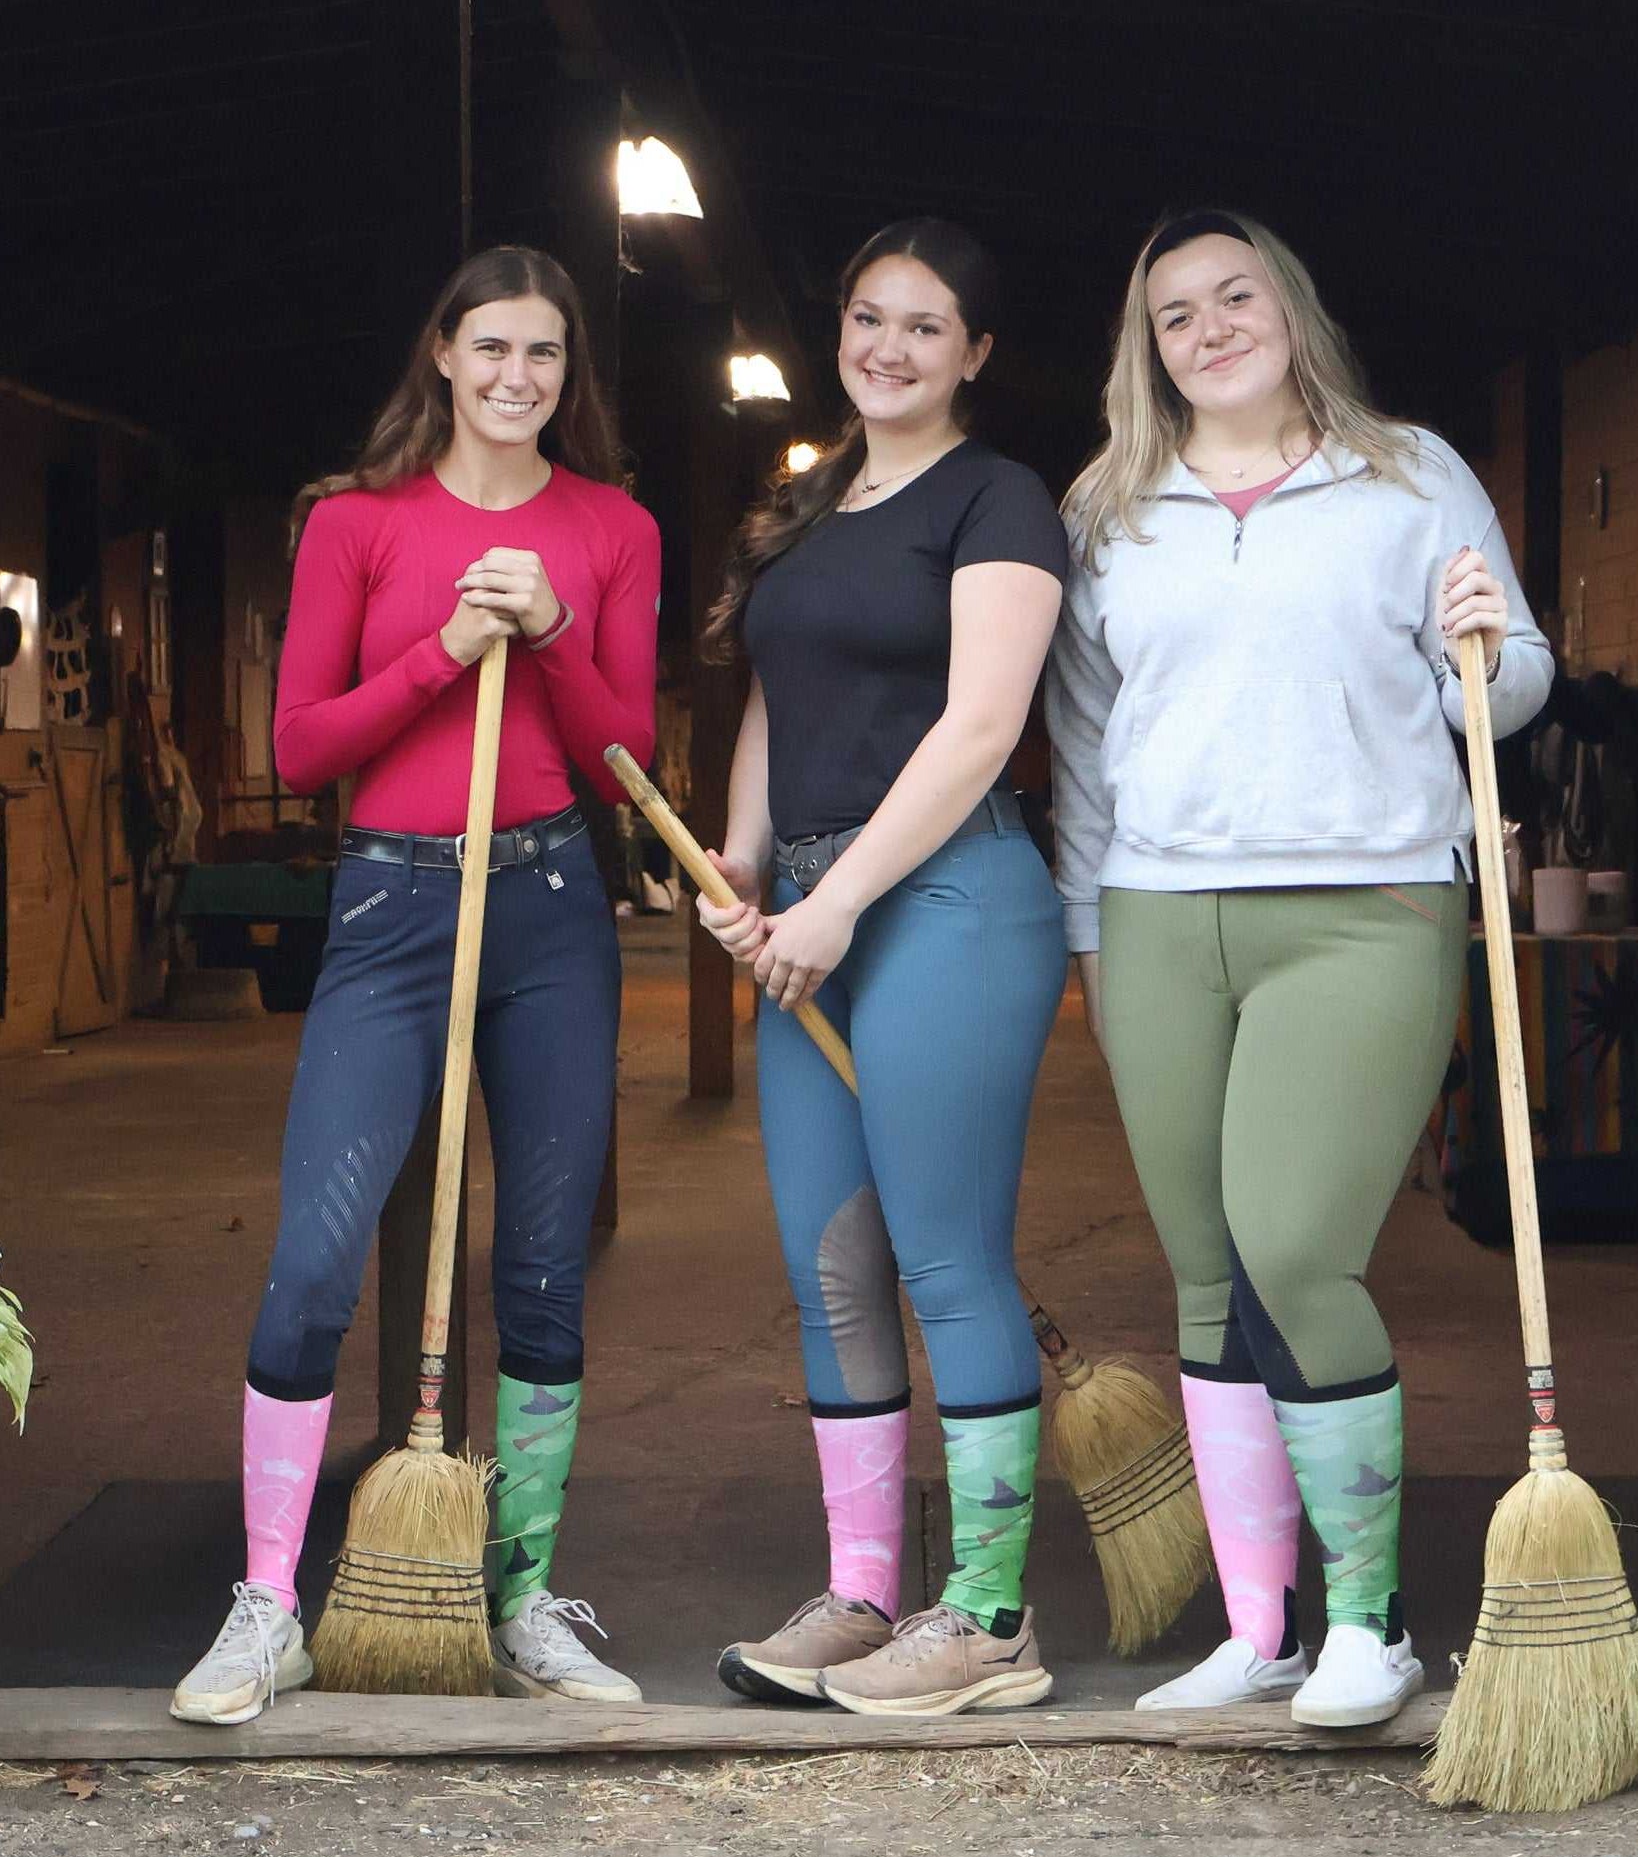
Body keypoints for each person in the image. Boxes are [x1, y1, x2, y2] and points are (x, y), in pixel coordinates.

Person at [1046, 210, 1553, 1728]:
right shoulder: (1110, 505)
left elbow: (1508, 681)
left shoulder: (1406, 473)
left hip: (1364, 905)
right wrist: (1089, 927)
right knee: (1204, 1271)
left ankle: (1368, 1623)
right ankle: (1257, 1630)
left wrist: (1487, 638)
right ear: (1148, 350)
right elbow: (1077, 738)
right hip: (1152, 916)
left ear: (1288, 307)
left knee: (1288, 1248)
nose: (1208, 329)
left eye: (1232, 297)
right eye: (1174, 314)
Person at [170, 245, 661, 1724]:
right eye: (493, 349)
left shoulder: (612, 526)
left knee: (542, 1270)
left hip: (553, 903)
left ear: (570, 378)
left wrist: (557, 635)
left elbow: (618, 754)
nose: (519, 379)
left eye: (548, 357)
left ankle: (520, 1597)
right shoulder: (357, 525)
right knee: (315, 1264)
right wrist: (451, 646)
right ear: (442, 355)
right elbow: (308, 745)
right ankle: (269, 1604)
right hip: (391, 903)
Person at [698, 219, 1068, 1716]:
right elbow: (779, 700)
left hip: (950, 896)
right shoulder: (806, 507)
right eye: (866, 318)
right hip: (814, 907)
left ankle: (985, 1618)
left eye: (926, 326)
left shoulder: (1000, 497)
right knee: (828, 1260)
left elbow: (978, 723)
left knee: (940, 1253)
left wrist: (839, 895)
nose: (888, 348)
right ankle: (863, 1595)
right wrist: (742, 863)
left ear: (974, 352)